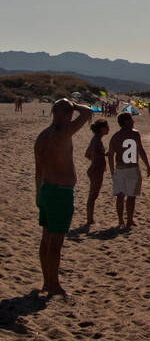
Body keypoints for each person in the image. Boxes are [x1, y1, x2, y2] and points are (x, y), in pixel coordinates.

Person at [34, 98, 93, 296]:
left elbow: (38, 170)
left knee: (46, 237)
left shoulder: (43, 136)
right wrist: (74, 105)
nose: (68, 117)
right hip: (60, 192)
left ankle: (46, 281)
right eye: (67, 113)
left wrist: (38, 194)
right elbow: (87, 113)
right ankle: (54, 284)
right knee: (55, 242)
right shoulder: (64, 132)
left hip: (46, 190)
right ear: (64, 115)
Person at [108, 112, 150, 229]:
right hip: (132, 168)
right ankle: (129, 220)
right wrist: (147, 165)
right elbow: (141, 150)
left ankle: (121, 220)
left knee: (120, 196)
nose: (133, 122)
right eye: (131, 120)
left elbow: (111, 155)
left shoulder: (115, 136)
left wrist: (112, 170)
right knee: (131, 197)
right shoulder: (135, 134)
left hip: (120, 168)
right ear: (126, 121)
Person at [83, 119, 110, 227]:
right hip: (96, 170)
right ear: (102, 129)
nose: (108, 129)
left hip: (94, 169)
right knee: (93, 196)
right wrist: (103, 156)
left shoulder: (96, 139)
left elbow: (87, 154)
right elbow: (91, 154)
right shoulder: (97, 140)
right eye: (107, 127)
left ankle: (90, 218)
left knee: (93, 195)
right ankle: (89, 219)